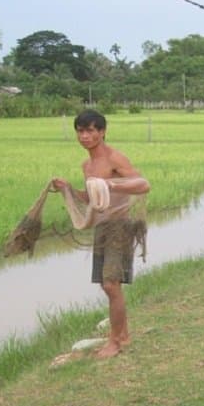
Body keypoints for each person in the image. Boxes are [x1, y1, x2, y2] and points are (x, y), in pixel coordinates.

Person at [52, 110, 151, 359]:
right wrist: (68, 189)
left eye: (91, 130)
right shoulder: (87, 165)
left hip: (120, 226)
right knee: (107, 285)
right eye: (81, 131)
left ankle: (115, 342)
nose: (85, 136)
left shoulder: (114, 158)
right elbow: (90, 198)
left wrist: (110, 184)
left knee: (111, 284)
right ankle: (123, 335)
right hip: (102, 227)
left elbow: (142, 184)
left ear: (102, 132)